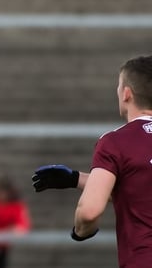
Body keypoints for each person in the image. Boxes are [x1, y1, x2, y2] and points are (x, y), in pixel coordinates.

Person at [32, 54, 152, 268]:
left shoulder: (116, 142)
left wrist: (81, 231)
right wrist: (76, 179)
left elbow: (89, 212)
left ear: (126, 94)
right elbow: (138, 188)